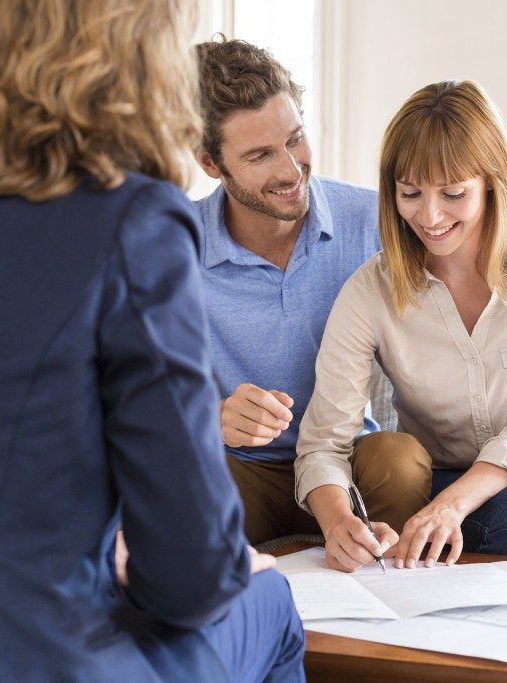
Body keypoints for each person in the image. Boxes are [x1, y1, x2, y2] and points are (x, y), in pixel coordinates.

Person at [0, 1, 302, 680]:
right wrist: (215, 567)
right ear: (144, 65)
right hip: (31, 656)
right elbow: (193, 575)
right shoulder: (133, 221)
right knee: (270, 599)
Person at [296, 80, 507, 573]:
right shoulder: (369, 291)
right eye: (410, 193)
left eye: (453, 193)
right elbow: (324, 442)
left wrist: (450, 508)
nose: (429, 215)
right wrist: (336, 521)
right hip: (446, 467)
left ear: (492, 183)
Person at [191, 38, 429, 546]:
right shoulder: (172, 248)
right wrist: (210, 418)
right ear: (211, 163)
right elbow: (122, 390)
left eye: (295, 139)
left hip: (348, 462)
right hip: (244, 471)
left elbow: (459, 244)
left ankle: (388, 595)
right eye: (259, 156)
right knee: (195, 488)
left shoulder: (371, 219)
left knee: (400, 461)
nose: (290, 169)